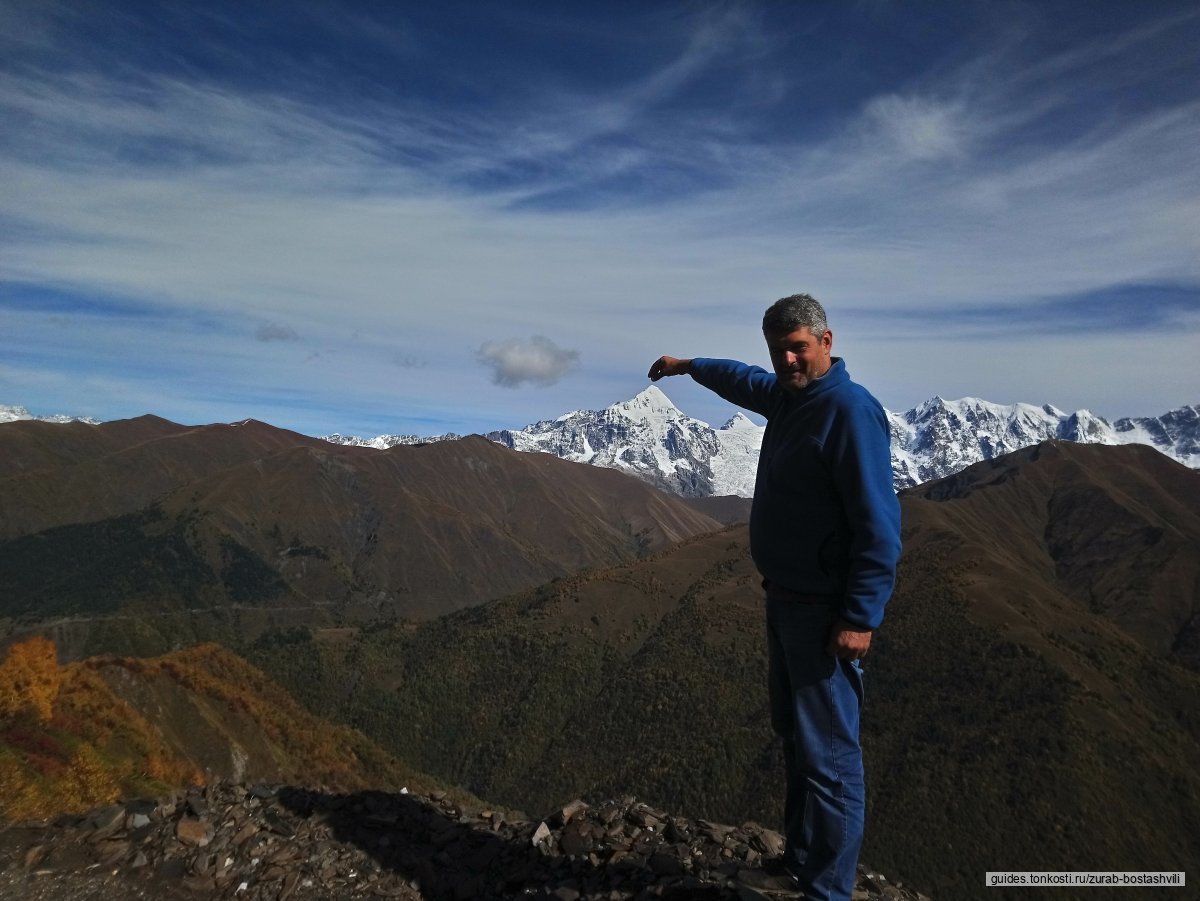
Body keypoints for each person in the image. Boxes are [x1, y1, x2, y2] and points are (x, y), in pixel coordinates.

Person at [647, 293, 901, 901]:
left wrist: (860, 618)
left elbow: (879, 527)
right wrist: (687, 366)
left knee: (832, 759)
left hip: (822, 614)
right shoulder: (790, 398)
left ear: (827, 342)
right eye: (779, 349)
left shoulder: (848, 412)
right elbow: (743, 380)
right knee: (797, 740)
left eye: (799, 347)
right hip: (785, 603)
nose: (787, 359)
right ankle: (801, 861)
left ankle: (827, 891)